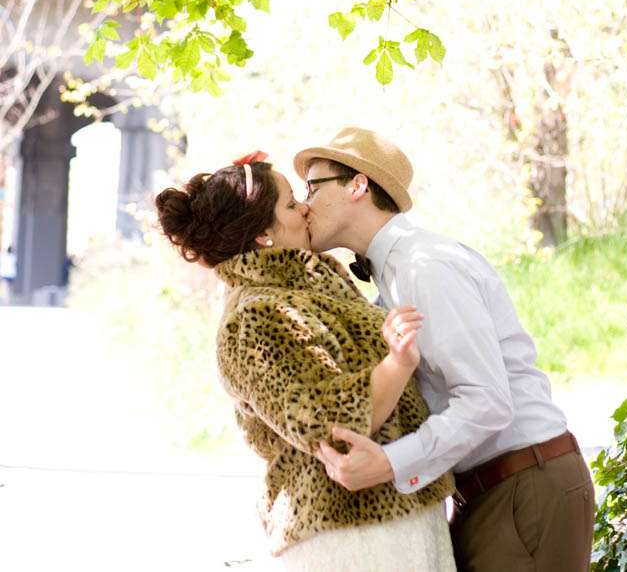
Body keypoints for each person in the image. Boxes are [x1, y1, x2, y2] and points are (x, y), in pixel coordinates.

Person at [293, 127, 595, 572]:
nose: (304, 204)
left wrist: (389, 464)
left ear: (357, 185)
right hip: (491, 490)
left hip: (523, 486)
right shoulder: (393, 274)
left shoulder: (424, 266)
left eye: (312, 188)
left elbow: (487, 401)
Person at [155, 152, 456, 571]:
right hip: (351, 534)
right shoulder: (257, 317)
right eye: (291, 204)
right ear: (263, 234)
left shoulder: (309, 288)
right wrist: (398, 362)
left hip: (393, 522)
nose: (305, 209)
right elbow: (334, 425)